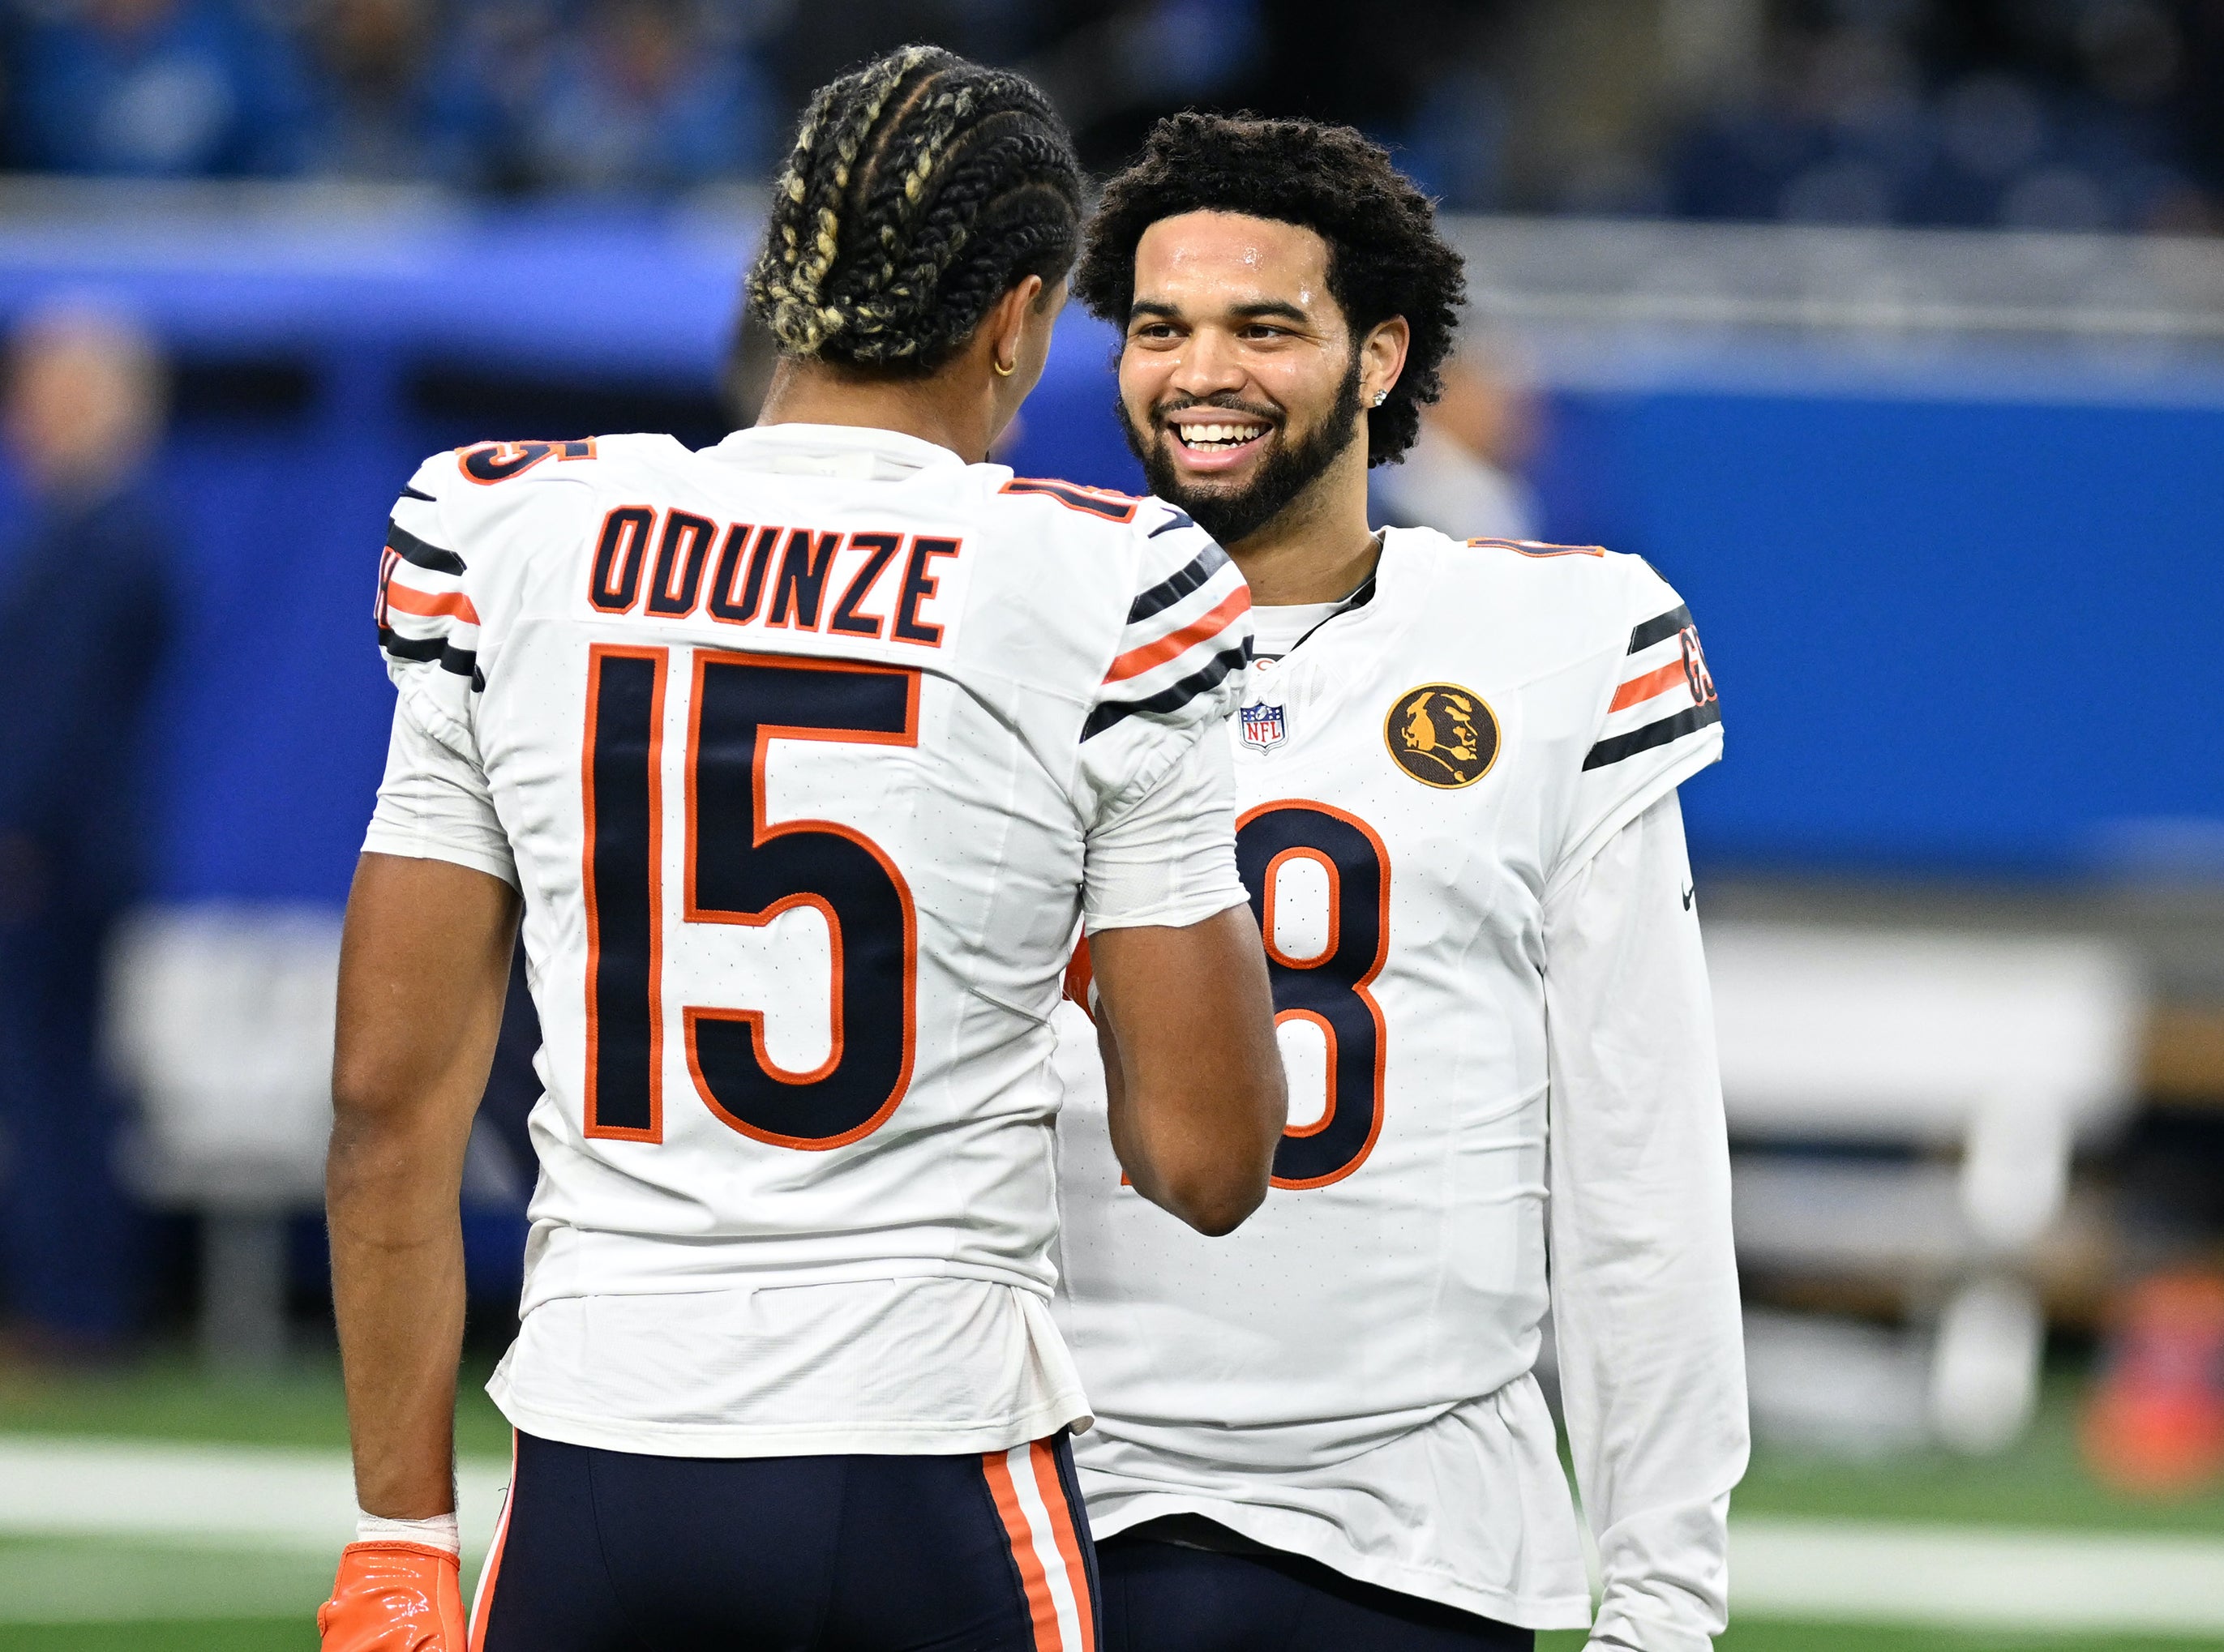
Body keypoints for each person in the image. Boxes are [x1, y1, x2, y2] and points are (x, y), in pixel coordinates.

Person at [318, 48, 1285, 1652]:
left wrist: (399, 1530)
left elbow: (384, 1098)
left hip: (597, 1449)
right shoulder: (1096, 578)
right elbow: (1204, 1156)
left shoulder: (514, 532)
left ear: (784, 278)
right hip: (927, 1448)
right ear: (1018, 317)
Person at [1051, 113, 1746, 1650]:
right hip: (1055, 1504)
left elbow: (1640, 1154)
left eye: (1263, 327)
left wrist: (1666, 1595)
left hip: (1413, 1525)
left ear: (1378, 359)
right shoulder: (1022, 625)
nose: (1200, 371)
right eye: (1159, 328)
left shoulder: (1554, 640)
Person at [0, 304, 174, 1357]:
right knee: (57, 1078)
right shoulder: (90, 529)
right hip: (72, 847)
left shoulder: (107, 536)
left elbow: (55, 714)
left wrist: (17, 827)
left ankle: (74, 1312)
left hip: (58, 855)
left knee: (56, 1081)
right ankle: (72, 1303)